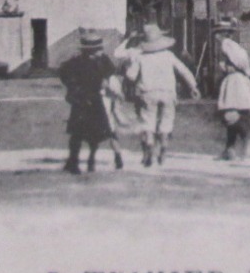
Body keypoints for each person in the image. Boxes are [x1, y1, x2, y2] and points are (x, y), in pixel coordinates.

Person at [133, 24, 198, 168]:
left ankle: (149, 145)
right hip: (168, 93)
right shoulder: (169, 56)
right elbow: (184, 71)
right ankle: (163, 147)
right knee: (166, 121)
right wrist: (193, 86)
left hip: (147, 92)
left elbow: (130, 76)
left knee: (148, 120)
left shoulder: (140, 57)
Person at [58, 34, 121, 174]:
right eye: (98, 49)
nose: (100, 51)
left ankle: (86, 160)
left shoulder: (102, 60)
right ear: (89, 50)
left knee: (93, 132)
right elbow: (63, 73)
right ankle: (73, 161)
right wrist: (73, 86)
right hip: (83, 99)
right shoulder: (77, 62)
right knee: (78, 132)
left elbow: (110, 73)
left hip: (92, 99)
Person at [216, 27, 250, 162]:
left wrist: (235, 67)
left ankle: (248, 141)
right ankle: (229, 149)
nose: (215, 36)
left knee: (231, 115)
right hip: (236, 80)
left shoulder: (227, 44)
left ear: (224, 34)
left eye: (218, 33)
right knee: (234, 116)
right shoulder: (231, 45)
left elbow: (239, 60)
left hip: (235, 81)